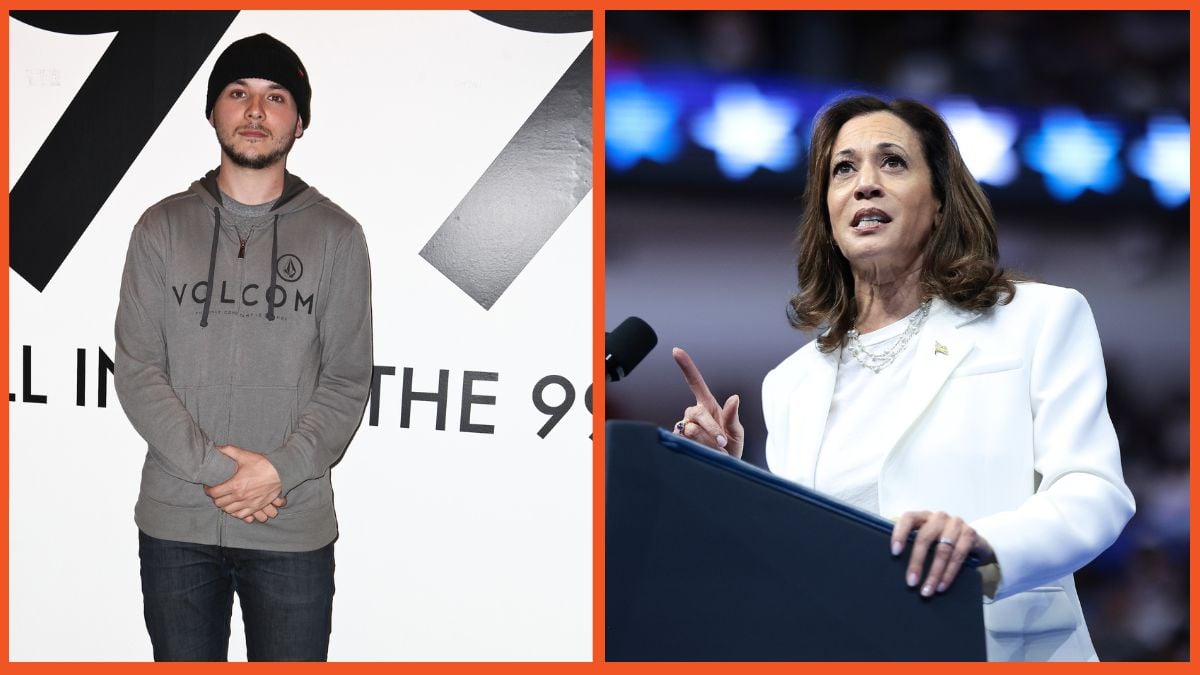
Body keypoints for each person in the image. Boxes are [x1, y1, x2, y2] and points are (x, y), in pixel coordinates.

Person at [672, 95, 1134, 661]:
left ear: (939, 201)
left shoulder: (1039, 319)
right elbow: (798, 558)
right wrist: (728, 481)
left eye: (891, 162)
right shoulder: (790, 383)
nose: (865, 183)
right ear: (828, 211)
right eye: (844, 169)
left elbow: (1095, 493)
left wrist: (985, 546)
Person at [114, 33, 373, 661]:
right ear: (212, 112)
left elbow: (346, 379)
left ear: (299, 122)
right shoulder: (161, 227)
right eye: (238, 93)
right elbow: (138, 368)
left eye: (275, 97)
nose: (255, 111)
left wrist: (277, 472)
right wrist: (221, 473)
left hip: (292, 525)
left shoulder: (338, 236)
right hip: (177, 521)